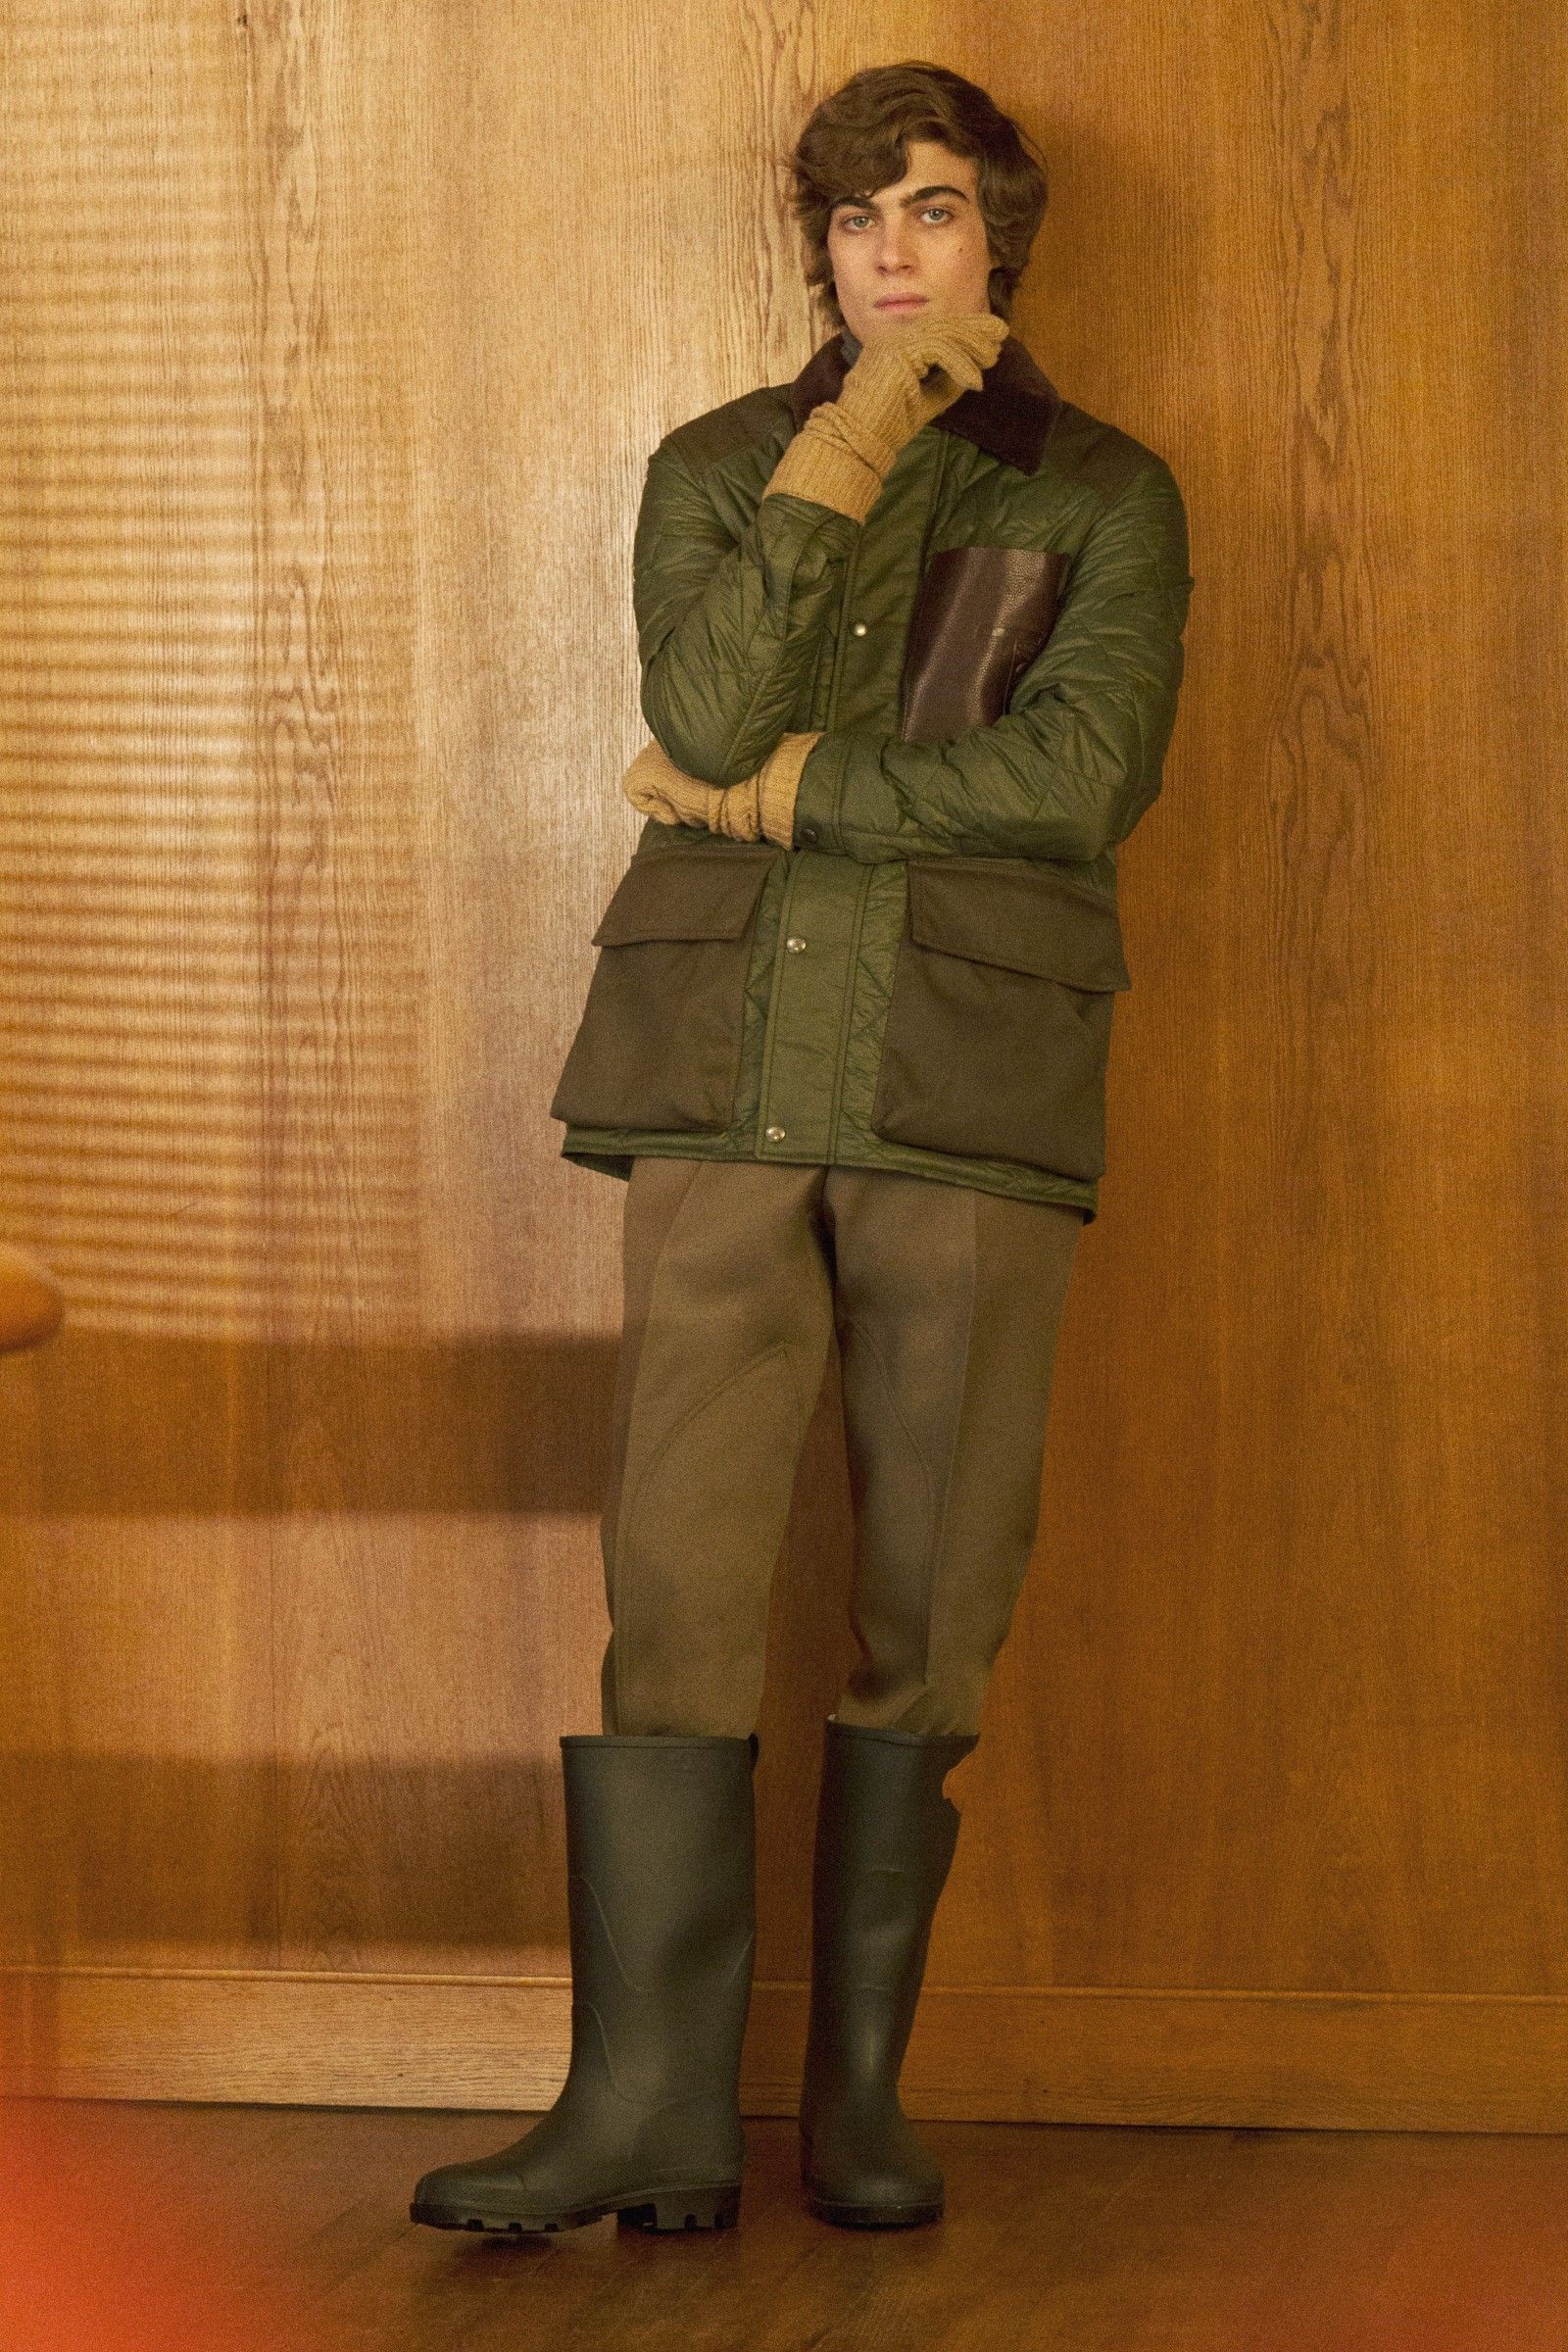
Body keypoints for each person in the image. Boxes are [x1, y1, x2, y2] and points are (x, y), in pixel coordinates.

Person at [412, 59, 1193, 2241]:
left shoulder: (1105, 495)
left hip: (965, 1090)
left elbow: (1078, 778)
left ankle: (856, 2101)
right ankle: (647, 2111)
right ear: (820, 252)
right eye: (855, 217)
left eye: (930, 209)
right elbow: (702, 706)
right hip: (721, 1079)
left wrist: (781, 802)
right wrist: (842, 451)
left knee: (931, 1598)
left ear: (998, 234)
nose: (890, 250)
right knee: (670, 1590)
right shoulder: (718, 469)